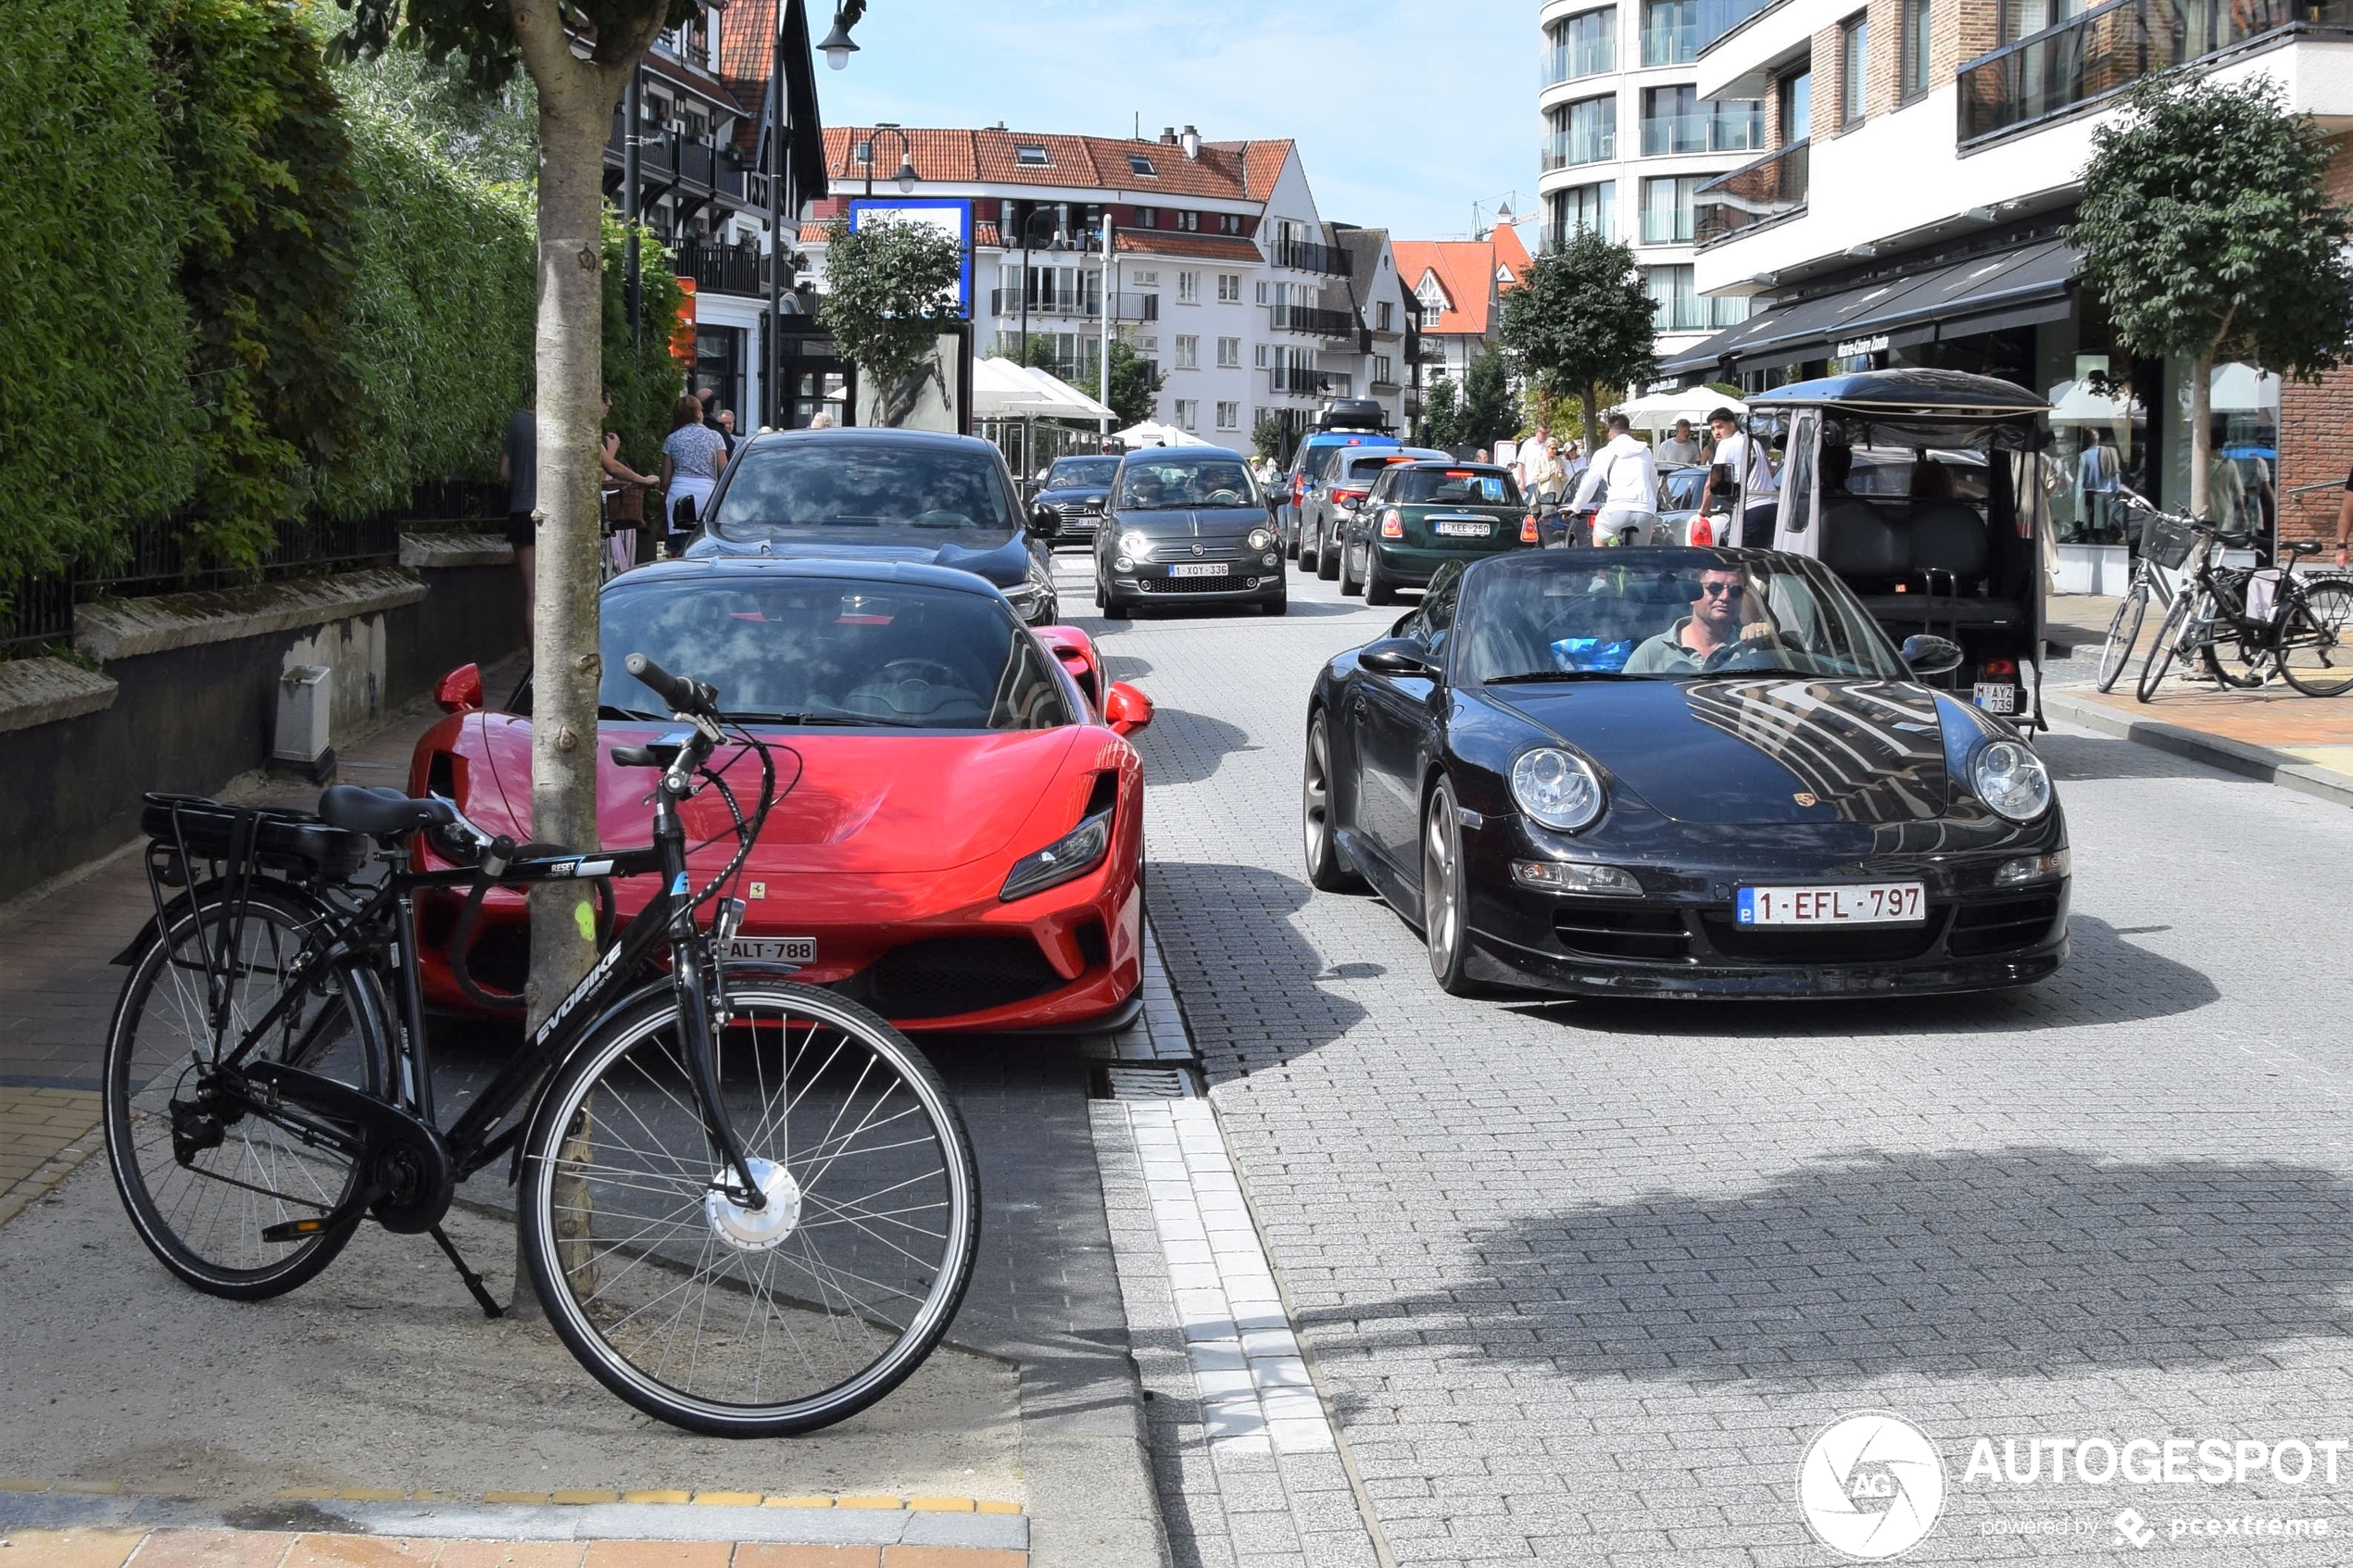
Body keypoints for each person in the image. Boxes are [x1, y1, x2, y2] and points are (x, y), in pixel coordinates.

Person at [1623, 565, 1776, 674]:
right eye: (1714, 588)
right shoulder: (1651, 653)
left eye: (1735, 591)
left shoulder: (1754, 649)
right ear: (1692, 594)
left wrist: (1772, 643)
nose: (1725, 597)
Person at [1570, 415, 1663, 544]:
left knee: (1598, 531)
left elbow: (1589, 483)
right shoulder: (1645, 451)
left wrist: (1576, 507)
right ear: (1629, 432)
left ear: (1610, 434)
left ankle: (1601, 562)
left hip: (1617, 509)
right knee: (1641, 554)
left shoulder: (1603, 454)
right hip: (1645, 511)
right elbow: (1653, 482)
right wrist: (1651, 505)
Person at [1696, 408, 1779, 548]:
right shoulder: (1753, 442)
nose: (1716, 432)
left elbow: (1714, 482)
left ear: (1732, 425)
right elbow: (1770, 471)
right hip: (1771, 506)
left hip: (1751, 507)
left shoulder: (1726, 444)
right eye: (1713, 428)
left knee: (1742, 558)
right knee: (1762, 556)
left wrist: (1704, 510)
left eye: (1720, 427)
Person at [598, 389, 659, 572]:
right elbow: (608, 471)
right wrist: (645, 481)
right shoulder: (585, 430)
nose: (610, 404)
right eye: (605, 399)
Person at [661, 394, 729, 554]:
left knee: (681, 549)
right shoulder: (714, 437)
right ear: (699, 413)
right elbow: (724, 472)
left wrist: (662, 511)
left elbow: (665, 480)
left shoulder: (672, 439)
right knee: (705, 544)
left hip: (680, 496)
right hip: (707, 494)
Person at [498, 403, 536, 623]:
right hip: (558, 517)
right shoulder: (570, 424)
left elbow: (504, 472)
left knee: (533, 593)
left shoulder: (519, 423)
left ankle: (535, 657)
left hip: (523, 511)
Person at [2076, 428, 2120, 541]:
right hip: (2108, 494)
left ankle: (2094, 540)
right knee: (2105, 525)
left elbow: (2079, 482)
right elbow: (2115, 478)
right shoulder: (2109, 454)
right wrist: (2116, 492)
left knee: (2092, 525)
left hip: (2091, 494)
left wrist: (2077, 501)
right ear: (2097, 439)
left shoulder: (2083, 456)